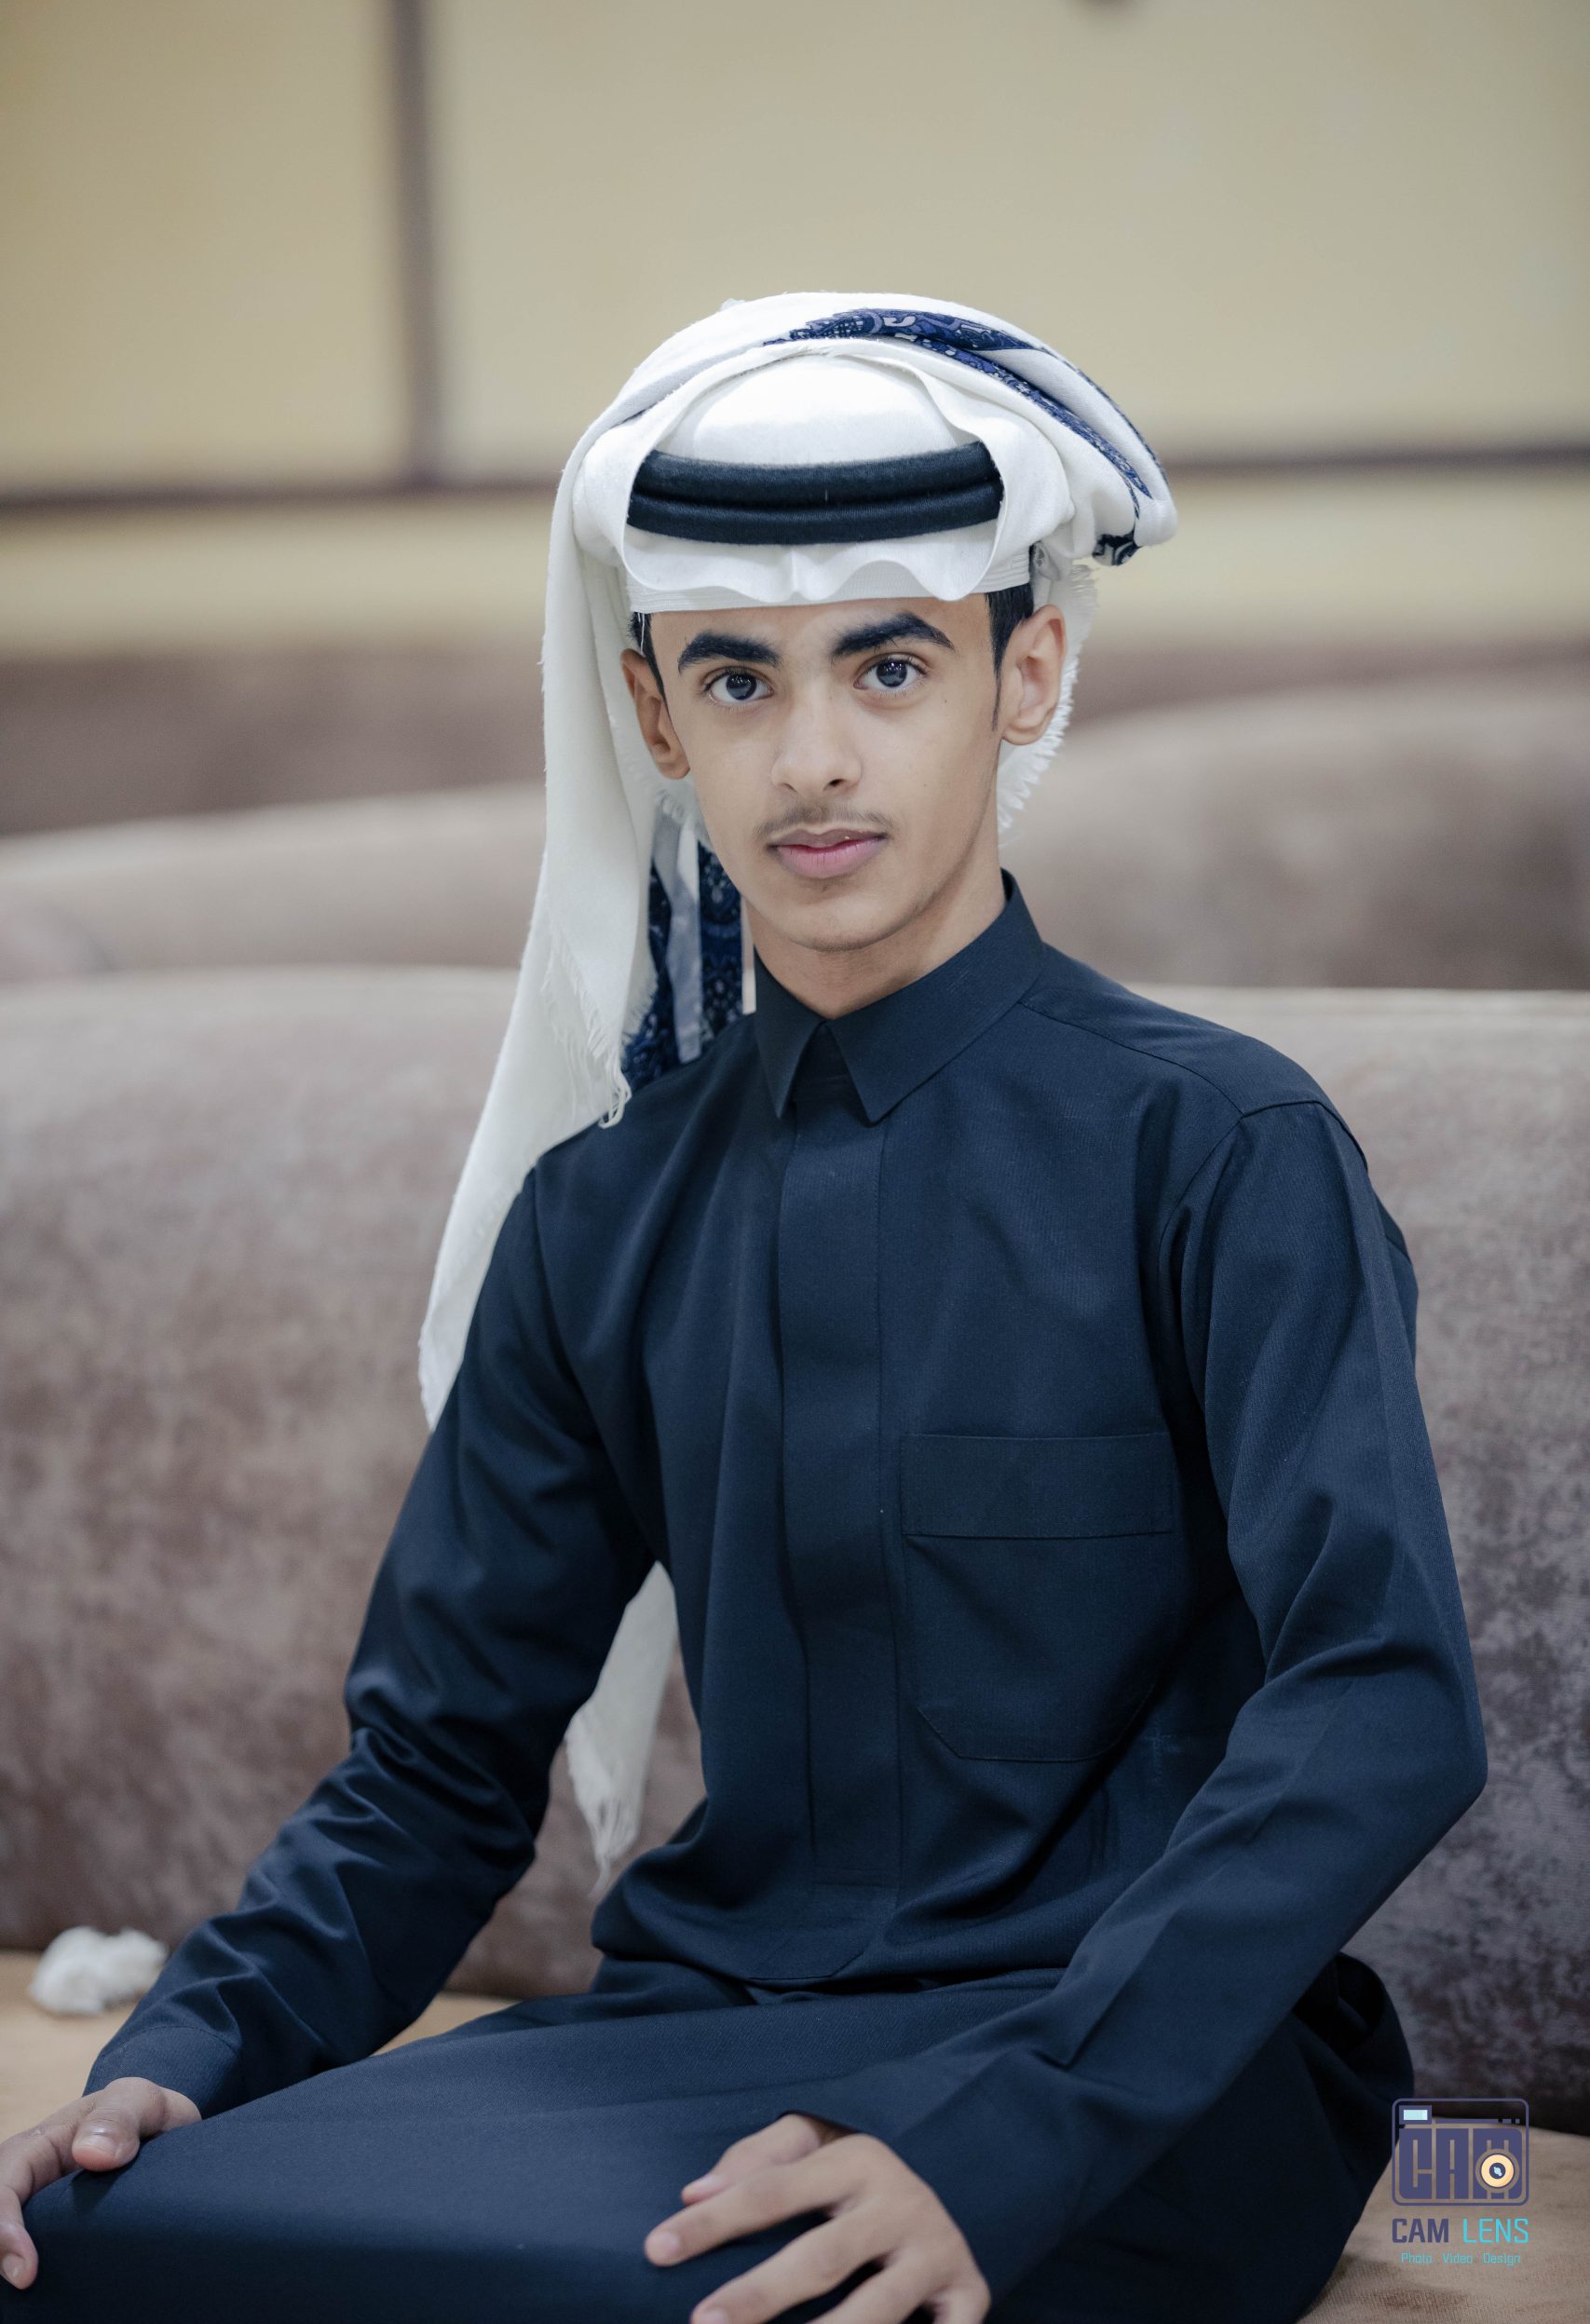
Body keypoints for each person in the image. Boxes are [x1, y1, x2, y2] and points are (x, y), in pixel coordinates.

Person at [0, 292, 1487, 2324]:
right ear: (653, 714)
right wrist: (189, 2051)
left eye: (889, 665)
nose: (811, 760)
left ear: (1025, 673)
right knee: (94, 2249)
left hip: (1150, 2062)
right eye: (736, 678)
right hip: (703, 2030)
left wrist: (1012, 2129)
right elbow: (439, 1760)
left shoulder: (1221, 1149)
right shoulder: (602, 1213)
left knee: (732, 2304)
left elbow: (1379, 1698)